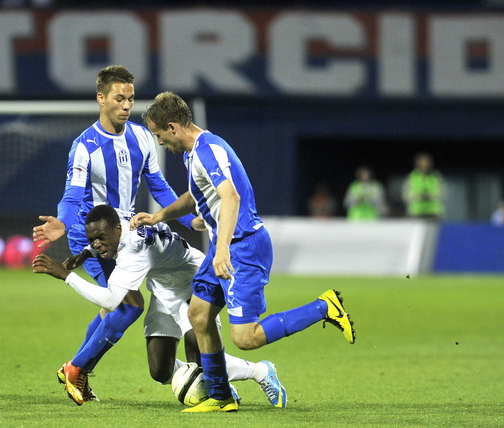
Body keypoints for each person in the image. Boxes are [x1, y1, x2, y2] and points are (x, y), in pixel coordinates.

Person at [133, 91, 356, 413]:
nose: (158, 142)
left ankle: (325, 306)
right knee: (198, 315)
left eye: (158, 135)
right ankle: (221, 395)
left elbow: (231, 197)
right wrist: (159, 215)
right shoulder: (193, 152)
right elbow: (198, 194)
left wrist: (221, 248)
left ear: (172, 127)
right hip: (225, 247)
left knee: (246, 338)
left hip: (243, 248)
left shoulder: (208, 151)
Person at [31, 65, 199, 404]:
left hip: (127, 237)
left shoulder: (141, 137)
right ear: (101, 98)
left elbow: (159, 186)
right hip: (94, 239)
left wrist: (191, 219)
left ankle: (74, 369)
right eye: (119, 98)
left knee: (113, 309)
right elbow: (72, 195)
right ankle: (78, 368)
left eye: (131, 99)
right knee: (129, 305)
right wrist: (63, 223)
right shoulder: (84, 146)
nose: (126, 105)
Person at [32, 204, 283, 407]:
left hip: (193, 282)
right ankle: (208, 378)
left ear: (118, 230)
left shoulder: (133, 252)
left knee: (199, 350)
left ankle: (259, 371)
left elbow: (110, 300)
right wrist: (86, 252)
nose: (98, 244)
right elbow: (100, 232)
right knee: (160, 370)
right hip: (164, 288)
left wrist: (66, 276)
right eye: (92, 240)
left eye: (101, 239)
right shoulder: (115, 218)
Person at [402, 152, 445, 220]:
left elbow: (442, 194)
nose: (424, 165)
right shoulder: (411, 177)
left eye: (426, 162)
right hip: (416, 213)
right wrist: (419, 196)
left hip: (433, 213)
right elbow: (406, 196)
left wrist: (429, 196)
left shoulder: (436, 177)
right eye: (422, 162)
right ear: (417, 163)